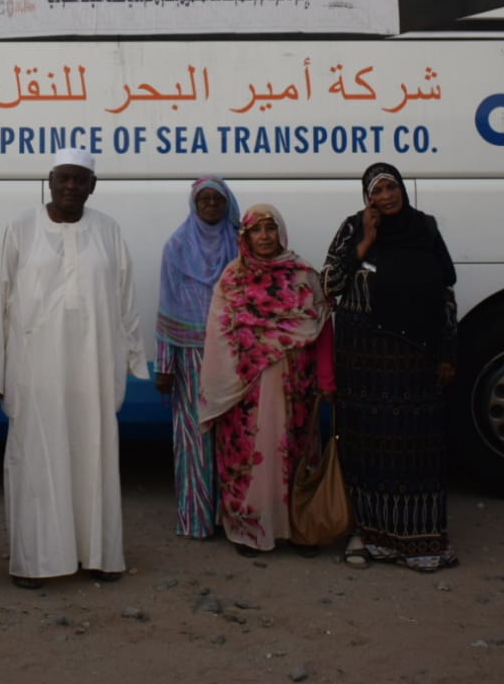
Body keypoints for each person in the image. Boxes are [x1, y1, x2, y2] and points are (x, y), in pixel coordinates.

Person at [0, 148, 147, 588]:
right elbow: (0, 298)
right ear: (50, 181)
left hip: (93, 364)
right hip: (36, 368)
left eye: (79, 179)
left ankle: (98, 554)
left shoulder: (108, 230)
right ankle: (36, 561)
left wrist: (130, 359)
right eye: (63, 178)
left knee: (94, 453)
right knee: (36, 460)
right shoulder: (21, 227)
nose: (70, 186)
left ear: (93, 185)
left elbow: (125, 300)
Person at [322, 162, 458, 572]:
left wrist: (447, 353)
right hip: (364, 366)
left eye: (391, 187)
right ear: (368, 199)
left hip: (415, 362)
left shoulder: (425, 229)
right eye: (377, 190)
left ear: (402, 190)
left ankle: (420, 541)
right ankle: (366, 536)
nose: (387, 196)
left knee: (416, 450)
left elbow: (445, 293)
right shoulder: (353, 228)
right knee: (366, 451)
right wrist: (365, 242)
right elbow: (328, 285)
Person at [199, 204, 332, 554]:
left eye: (270, 228)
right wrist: (253, 358)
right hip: (246, 390)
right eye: (255, 230)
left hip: (295, 386)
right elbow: (219, 333)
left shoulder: (303, 274)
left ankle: (299, 528)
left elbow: (319, 323)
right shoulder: (233, 278)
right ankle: (249, 528)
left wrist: (324, 377)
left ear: (280, 232)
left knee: (295, 453)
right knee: (249, 459)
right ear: (245, 236)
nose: (264, 237)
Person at [155, 177, 241, 539]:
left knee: (234, 437)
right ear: (194, 204)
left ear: (227, 204)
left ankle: (231, 519)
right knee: (194, 438)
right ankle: (196, 519)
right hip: (190, 356)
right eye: (203, 199)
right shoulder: (177, 246)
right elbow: (167, 304)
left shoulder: (240, 244)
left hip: (235, 355)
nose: (210, 205)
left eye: (217, 200)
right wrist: (164, 366)